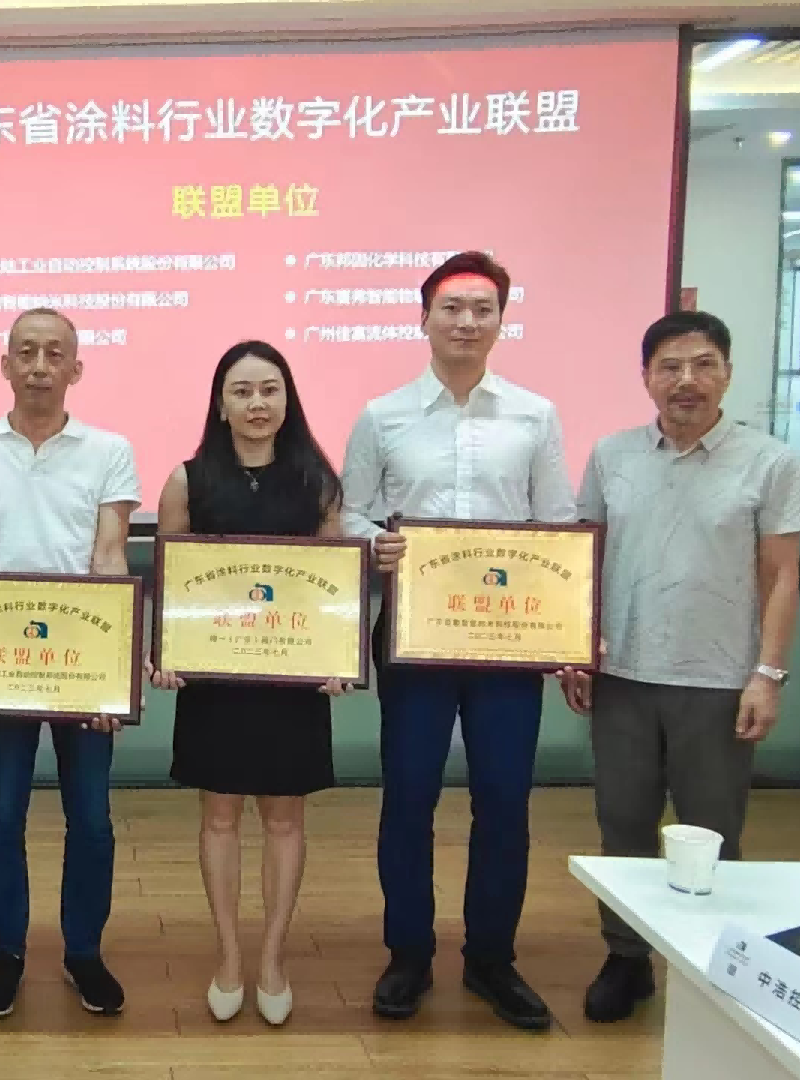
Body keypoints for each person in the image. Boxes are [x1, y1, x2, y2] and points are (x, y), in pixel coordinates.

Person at [340, 251, 575, 1030]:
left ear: (501, 320)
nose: (466, 322)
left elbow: (557, 526)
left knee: (504, 799)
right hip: (415, 637)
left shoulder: (535, 416)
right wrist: (375, 543)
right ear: (424, 319)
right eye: (451, 308)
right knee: (409, 796)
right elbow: (350, 513)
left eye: (482, 309)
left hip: (509, 642)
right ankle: (408, 952)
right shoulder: (383, 416)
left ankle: (491, 958)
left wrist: (568, 632)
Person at [562, 310, 800, 1023]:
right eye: (669, 367)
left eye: (703, 364)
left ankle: (714, 965)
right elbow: (584, 559)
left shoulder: (770, 462)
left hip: (719, 681)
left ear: (727, 373)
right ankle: (627, 958)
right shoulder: (612, 455)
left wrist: (768, 674)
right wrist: (575, 650)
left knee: (712, 830)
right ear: (646, 377)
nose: (686, 381)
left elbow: (783, 575)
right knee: (623, 825)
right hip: (622, 675)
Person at [0, 307, 139, 1019]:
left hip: (83, 668)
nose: (39, 366)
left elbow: (110, 559)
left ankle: (84, 952)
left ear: (76, 369)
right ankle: (6, 953)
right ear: (5, 365)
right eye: (26, 353)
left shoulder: (110, 450)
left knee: (92, 819)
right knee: (0, 817)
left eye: (55, 354)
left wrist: (112, 681)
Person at [147, 341, 349, 1026]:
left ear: (287, 399)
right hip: (218, 680)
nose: (257, 403)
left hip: (291, 677)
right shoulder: (187, 481)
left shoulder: (318, 482)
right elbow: (170, 582)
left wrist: (337, 656)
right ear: (220, 404)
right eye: (242, 391)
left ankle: (273, 958)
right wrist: (167, 652)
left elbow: (333, 588)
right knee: (220, 817)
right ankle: (230, 956)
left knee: (285, 819)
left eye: (269, 389)